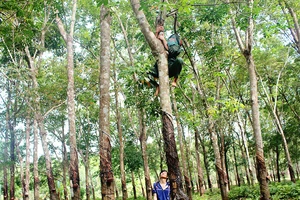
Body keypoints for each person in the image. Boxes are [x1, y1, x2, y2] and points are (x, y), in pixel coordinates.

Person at [147, 31, 184, 96]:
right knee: (147, 72)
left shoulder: (175, 47)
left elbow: (171, 51)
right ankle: (157, 86)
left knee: (180, 60)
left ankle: (175, 80)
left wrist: (163, 39)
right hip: (160, 68)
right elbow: (155, 43)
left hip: (170, 69)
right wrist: (158, 34)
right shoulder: (162, 44)